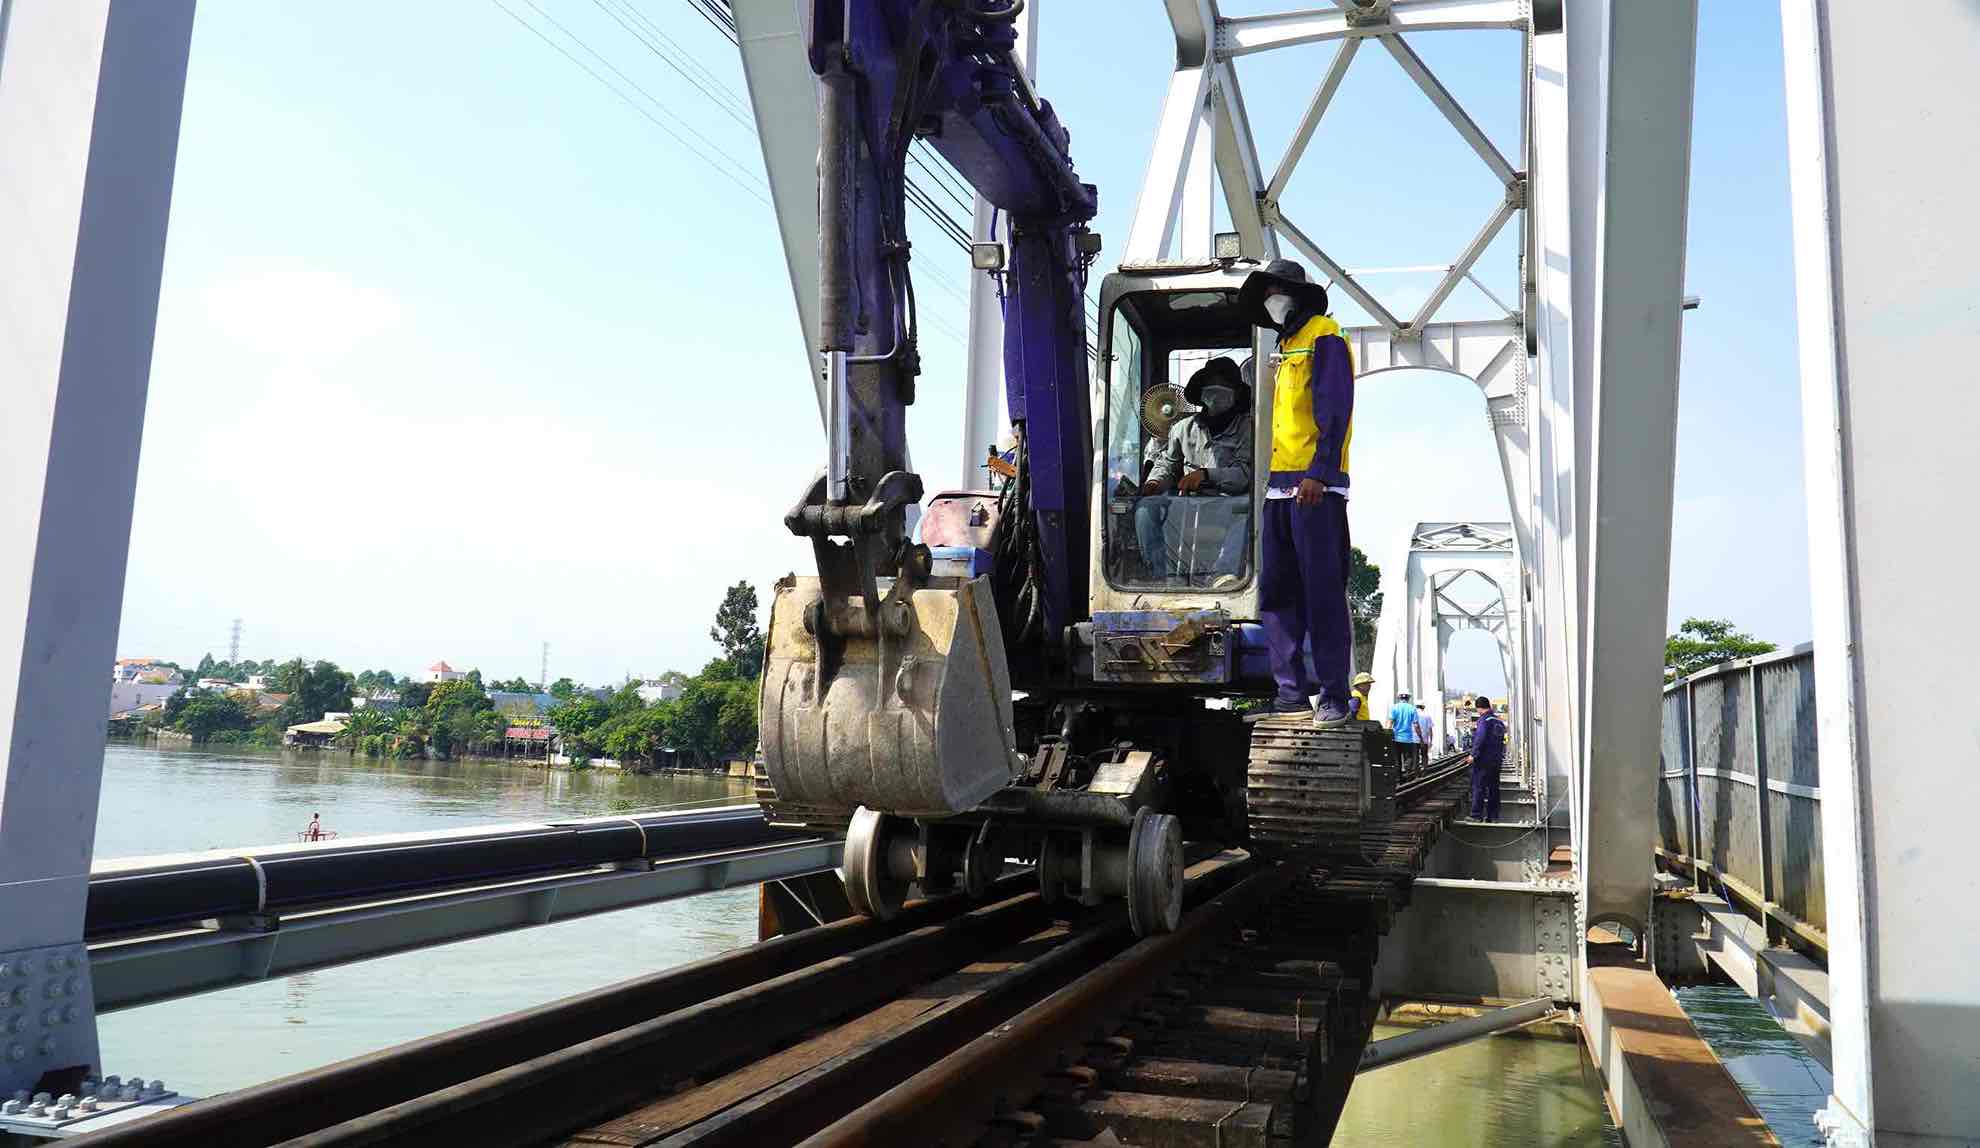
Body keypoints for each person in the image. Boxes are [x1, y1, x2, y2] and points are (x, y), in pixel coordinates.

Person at [1240, 259, 1357, 722]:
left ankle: (1333, 695)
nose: (1271, 298)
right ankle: (1289, 693)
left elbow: (1335, 406)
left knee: (1322, 591)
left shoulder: (1324, 334)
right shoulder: (1284, 344)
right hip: (1280, 488)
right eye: (1266, 290)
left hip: (1314, 488)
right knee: (1277, 593)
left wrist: (1321, 471)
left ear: (1294, 293)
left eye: (1275, 289)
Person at [1135, 357, 1254, 580]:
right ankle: (1161, 578)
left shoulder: (1248, 428)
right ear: (1201, 393)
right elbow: (1167, 465)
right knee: (1145, 509)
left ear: (1236, 394)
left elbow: (1243, 476)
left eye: (1224, 388)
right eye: (1211, 388)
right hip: (1187, 507)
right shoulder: (1182, 428)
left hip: (1228, 507)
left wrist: (1207, 475)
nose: (1216, 395)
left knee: (1250, 510)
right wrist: (1154, 482)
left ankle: (1224, 577)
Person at [1463, 696, 1507, 822]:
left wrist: (1473, 755)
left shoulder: (1484, 720)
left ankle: (1476, 815)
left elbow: (1480, 738)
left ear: (1479, 708)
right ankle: (1493, 816)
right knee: (1494, 788)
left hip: (1483, 761)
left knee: (1479, 786)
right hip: (1496, 760)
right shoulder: (1498, 721)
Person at [1389, 690, 1419, 767]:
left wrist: (1387, 734)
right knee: (1408, 758)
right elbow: (1416, 725)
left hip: (1396, 737)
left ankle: (1399, 777)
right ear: (1408, 698)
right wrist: (1420, 736)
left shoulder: (1394, 707)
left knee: (1397, 760)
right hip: (1408, 739)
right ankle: (1407, 772)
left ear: (1399, 697)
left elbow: (1390, 722)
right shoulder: (1412, 708)